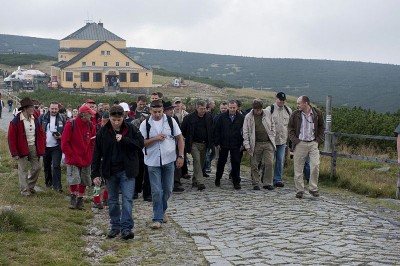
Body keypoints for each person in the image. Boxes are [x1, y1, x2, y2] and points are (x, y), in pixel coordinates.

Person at [92, 105, 144, 240]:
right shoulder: (103, 132)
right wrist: (95, 174)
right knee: (113, 200)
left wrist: (125, 140)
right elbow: (96, 154)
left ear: (123, 117)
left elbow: (140, 144)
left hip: (127, 171)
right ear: (109, 118)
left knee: (127, 199)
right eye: (113, 120)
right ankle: (115, 226)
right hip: (110, 172)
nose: (116, 122)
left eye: (119, 119)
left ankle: (126, 228)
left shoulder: (131, 129)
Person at [139, 100, 184, 229]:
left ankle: (162, 210)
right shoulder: (145, 124)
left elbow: (180, 138)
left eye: (159, 111)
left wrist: (180, 155)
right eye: (155, 112)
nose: (157, 114)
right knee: (156, 191)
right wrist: (156, 138)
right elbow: (141, 142)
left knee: (168, 189)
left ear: (162, 110)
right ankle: (157, 218)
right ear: (150, 111)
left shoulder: (170, 121)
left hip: (169, 159)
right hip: (152, 161)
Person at [288, 95, 325, 199]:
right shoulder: (295, 114)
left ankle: (313, 188)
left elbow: (322, 127)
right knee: (298, 168)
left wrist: (318, 140)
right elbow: (290, 128)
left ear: (306, 103)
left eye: (299, 103)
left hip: (313, 143)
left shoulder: (317, 113)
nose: (297, 105)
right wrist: (296, 141)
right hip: (300, 143)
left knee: (315, 165)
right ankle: (300, 190)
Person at [8, 97, 46, 196]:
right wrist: (14, 153)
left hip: (33, 146)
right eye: (31, 107)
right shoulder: (16, 121)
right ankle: (25, 191)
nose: (34, 109)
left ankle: (30, 185)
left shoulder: (35, 118)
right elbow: (11, 138)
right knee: (23, 170)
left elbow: (41, 133)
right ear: (25, 108)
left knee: (37, 167)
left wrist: (42, 144)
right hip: (21, 147)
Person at [61, 105, 96, 209]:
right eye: (89, 114)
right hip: (73, 158)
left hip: (86, 158)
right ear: (84, 115)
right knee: (73, 179)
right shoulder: (70, 124)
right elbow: (64, 142)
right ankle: (73, 198)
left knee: (84, 179)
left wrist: (90, 155)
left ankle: (80, 200)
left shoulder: (91, 126)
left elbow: (92, 142)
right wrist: (71, 155)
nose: (91, 116)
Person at [243, 99, 276, 190]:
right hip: (255, 143)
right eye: (256, 109)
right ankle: (255, 182)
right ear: (253, 108)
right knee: (254, 164)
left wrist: (272, 135)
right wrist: (247, 145)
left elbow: (273, 125)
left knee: (269, 163)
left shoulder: (267, 113)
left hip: (267, 142)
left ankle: (267, 182)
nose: (258, 111)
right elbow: (245, 131)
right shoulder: (248, 117)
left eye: (260, 109)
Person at [181, 100, 213, 191]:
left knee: (201, 162)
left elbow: (211, 130)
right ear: (197, 108)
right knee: (197, 160)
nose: (203, 110)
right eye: (201, 109)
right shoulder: (189, 118)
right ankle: (200, 182)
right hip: (193, 143)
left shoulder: (209, 117)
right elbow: (182, 130)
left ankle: (195, 179)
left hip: (205, 143)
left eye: (204, 109)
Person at [214, 100, 245, 190]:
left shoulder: (241, 118)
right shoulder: (221, 117)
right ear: (228, 107)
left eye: (234, 108)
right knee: (221, 162)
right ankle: (218, 178)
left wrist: (242, 144)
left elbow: (244, 131)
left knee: (236, 162)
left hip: (236, 143)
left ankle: (236, 181)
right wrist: (217, 143)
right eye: (230, 107)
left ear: (237, 108)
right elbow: (216, 130)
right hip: (223, 143)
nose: (232, 109)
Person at [265, 92, 292, 187]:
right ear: (276, 98)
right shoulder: (269, 109)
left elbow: (290, 125)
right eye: (280, 100)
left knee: (280, 160)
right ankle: (266, 178)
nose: (281, 102)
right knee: (269, 161)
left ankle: (277, 179)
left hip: (282, 140)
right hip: (271, 140)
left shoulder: (288, 110)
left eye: (283, 100)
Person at [39, 102, 66, 192]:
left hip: (56, 146)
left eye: (55, 109)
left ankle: (57, 186)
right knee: (46, 166)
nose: (54, 111)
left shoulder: (62, 118)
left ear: (58, 109)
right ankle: (48, 183)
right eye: (52, 109)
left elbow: (66, 132)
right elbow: (38, 131)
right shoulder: (42, 117)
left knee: (56, 166)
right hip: (45, 146)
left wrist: (61, 136)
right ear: (49, 109)